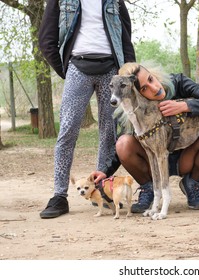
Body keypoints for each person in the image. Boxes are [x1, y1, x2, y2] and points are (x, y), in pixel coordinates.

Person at [38, 0, 136, 219]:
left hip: (110, 68)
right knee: (68, 128)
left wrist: (127, 73)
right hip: (77, 67)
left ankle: (101, 189)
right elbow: (46, 40)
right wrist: (65, 69)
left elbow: (126, 40)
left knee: (109, 132)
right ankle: (59, 196)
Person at [90, 62, 199, 213]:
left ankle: (192, 183)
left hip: (186, 156)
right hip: (153, 163)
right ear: (134, 92)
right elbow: (120, 144)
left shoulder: (178, 82)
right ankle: (148, 188)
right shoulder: (133, 111)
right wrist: (106, 170)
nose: (154, 88)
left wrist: (185, 106)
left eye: (151, 79)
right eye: (144, 88)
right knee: (123, 142)